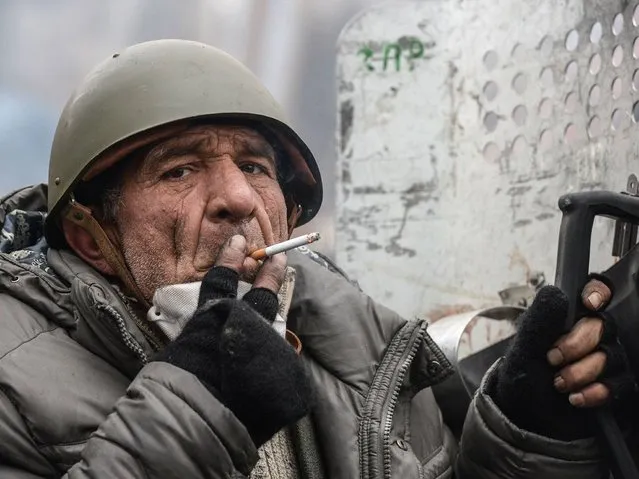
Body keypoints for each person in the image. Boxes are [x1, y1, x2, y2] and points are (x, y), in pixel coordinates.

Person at [0, 39, 634, 479]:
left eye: (254, 166)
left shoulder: (359, 339)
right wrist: (201, 405)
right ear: (91, 240)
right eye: (181, 170)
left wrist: (531, 432)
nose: (238, 199)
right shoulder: (16, 385)